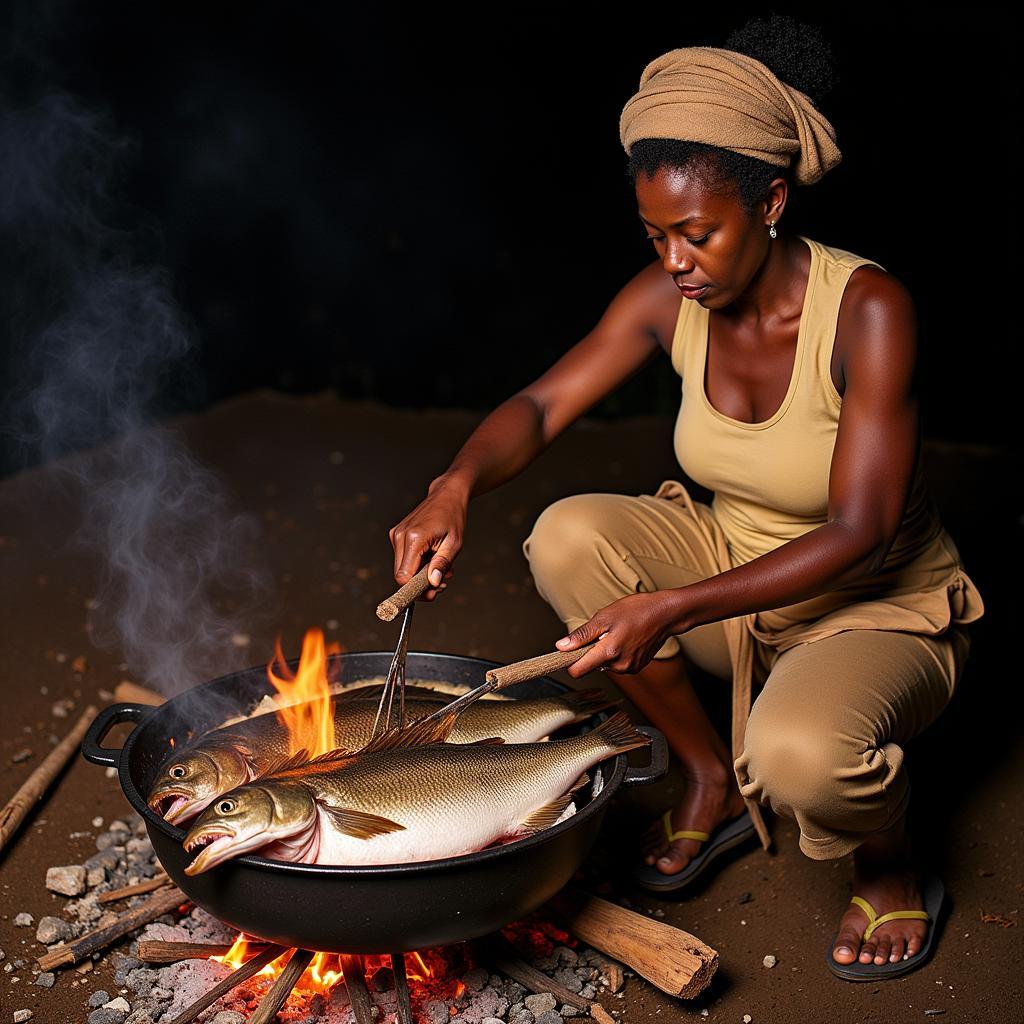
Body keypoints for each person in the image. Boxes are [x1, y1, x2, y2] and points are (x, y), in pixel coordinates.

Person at [386, 15, 984, 981]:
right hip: (730, 574)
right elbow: (542, 405)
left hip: (870, 606)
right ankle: (705, 772)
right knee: (566, 538)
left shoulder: (869, 310)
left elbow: (865, 532)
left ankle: (892, 861)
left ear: (773, 203)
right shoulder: (669, 298)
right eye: (655, 236)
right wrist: (453, 484)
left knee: (801, 758)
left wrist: (670, 606)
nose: (674, 262)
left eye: (697, 234)